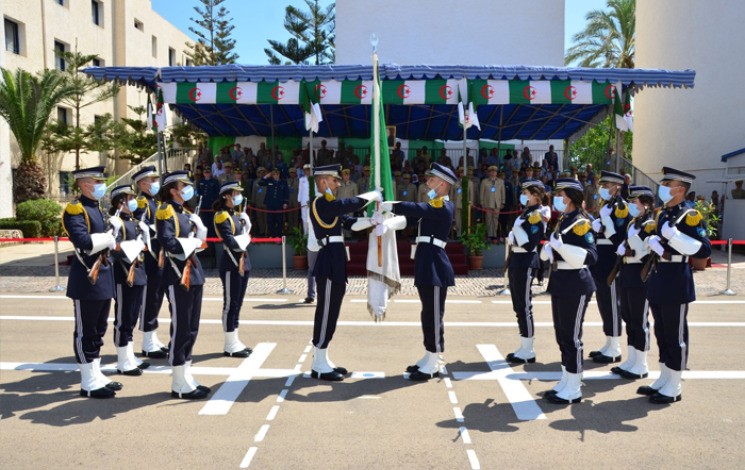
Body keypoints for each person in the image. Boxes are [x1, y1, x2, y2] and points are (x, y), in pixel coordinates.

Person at [639, 167, 711, 404]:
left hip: (677, 279)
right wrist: (655, 243)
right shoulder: (663, 213)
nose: (663, 188)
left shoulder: (689, 215)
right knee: (661, 331)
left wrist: (674, 238)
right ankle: (665, 376)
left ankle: (675, 384)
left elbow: (704, 249)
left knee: (675, 334)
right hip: (659, 276)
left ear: (680, 188)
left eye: (667, 184)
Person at [380, 163, 456, 381]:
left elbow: (417, 210)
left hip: (435, 264)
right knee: (427, 313)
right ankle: (429, 354)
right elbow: (411, 218)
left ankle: (433, 359)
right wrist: (387, 223)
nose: (427, 183)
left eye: (431, 180)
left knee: (433, 314)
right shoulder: (433, 205)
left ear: (442, 184)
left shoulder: (443, 206)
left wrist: (392, 205)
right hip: (426, 261)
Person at [309, 164, 381, 381]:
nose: (338, 184)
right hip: (329, 259)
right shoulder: (320, 203)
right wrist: (371, 195)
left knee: (333, 311)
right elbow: (346, 205)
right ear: (323, 182)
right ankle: (319, 363)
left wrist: (372, 221)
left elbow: (349, 223)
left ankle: (323, 358)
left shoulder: (331, 206)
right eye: (334, 180)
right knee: (326, 310)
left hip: (336, 258)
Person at [62, 166, 120, 398]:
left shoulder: (97, 208)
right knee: (85, 330)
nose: (101, 186)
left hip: (104, 275)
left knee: (98, 329)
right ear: (85, 184)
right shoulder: (76, 210)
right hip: (87, 277)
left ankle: (95, 374)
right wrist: (107, 237)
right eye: (97, 182)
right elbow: (83, 241)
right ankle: (87, 381)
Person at [540, 178, 597, 404]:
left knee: (572, 336)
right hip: (561, 279)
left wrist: (561, 246)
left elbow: (592, 255)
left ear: (571, 197)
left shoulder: (581, 222)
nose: (557, 198)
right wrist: (550, 249)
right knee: (562, 334)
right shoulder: (564, 219)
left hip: (577, 281)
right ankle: (566, 379)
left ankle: (574, 387)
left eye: (561, 194)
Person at [157, 171, 210, 399]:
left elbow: (200, 245)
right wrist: (194, 241)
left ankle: (186, 374)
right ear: (173, 190)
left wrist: (201, 234)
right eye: (183, 186)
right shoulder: (165, 211)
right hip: (178, 274)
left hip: (193, 272)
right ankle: (178, 380)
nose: (187, 189)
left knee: (192, 326)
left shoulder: (185, 213)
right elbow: (167, 242)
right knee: (181, 327)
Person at [610, 185, 656, 380]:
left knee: (639, 319)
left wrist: (630, 250)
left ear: (645, 204)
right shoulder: (632, 223)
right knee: (628, 317)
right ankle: (631, 359)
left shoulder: (650, 224)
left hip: (640, 274)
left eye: (634, 202)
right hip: (627, 272)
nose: (631, 205)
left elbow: (646, 252)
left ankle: (642, 363)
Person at [588, 171, 631, 364]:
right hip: (601, 260)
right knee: (604, 302)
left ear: (617, 187)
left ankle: (615, 347)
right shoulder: (608, 206)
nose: (603, 189)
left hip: (612, 260)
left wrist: (604, 223)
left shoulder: (621, 208)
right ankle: (608, 342)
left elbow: (618, 239)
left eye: (606, 186)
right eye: (602, 185)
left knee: (613, 303)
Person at [108, 185, 150, 376]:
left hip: (138, 273)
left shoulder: (133, 222)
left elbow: (146, 249)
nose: (133, 201)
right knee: (123, 318)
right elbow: (110, 250)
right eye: (129, 198)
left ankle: (130, 355)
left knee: (132, 317)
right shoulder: (115, 223)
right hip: (123, 274)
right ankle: (123, 359)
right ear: (120, 202)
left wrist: (145, 236)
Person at [505, 179, 546, 364]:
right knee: (518, 305)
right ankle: (524, 345)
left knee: (524, 305)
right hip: (516, 259)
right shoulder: (527, 213)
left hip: (527, 260)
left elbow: (530, 243)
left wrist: (515, 232)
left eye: (526, 193)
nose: (523, 196)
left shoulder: (537, 214)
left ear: (536, 195)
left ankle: (529, 349)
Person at [132, 165, 170, 359]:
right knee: (150, 298)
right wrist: (158, 229)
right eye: (152, 180)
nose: (156, 183)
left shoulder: (154, 202)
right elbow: (139, 225)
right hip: (149, 256)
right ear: (142, 183)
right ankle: (147, 341)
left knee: (156, 297)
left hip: (159, 255)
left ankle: (152, 337)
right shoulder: (141, 202)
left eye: (156, 179)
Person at [213, 181, 254, 358]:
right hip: (231, 262)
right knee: (230, 303)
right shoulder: (222, 216)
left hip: (243, 261)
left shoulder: (236, 215)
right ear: (226, 196)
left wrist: (246, 225)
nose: (238, 196)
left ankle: (235, 340)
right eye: (235, 193)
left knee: (238, 302)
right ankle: (229, 343)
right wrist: (246, 236)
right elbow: (230, 241)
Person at [259, 168, 289, 237]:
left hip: (279, 203)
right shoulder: (269, 181)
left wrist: (285, 202)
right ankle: (272, 235)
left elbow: (286, 193)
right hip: (270, 203)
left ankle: (278, 235)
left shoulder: (283, 182)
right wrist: (266, 176)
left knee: (279, 220)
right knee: (270, 220)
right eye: (274, 174)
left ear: (279, 174)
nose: (276, 176)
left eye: (277, 174)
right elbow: (260, 183)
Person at [479, 165, 506, 240]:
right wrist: (482, 203)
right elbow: (482, 193)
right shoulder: (484, 181)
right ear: (489, 173)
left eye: (495, 171)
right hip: (488, 203)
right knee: (488, 219)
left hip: (497, 203)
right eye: (491, 171)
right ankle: (490, 235)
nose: (493, 173)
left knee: (495, 219)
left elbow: (502, 192)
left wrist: (503, 202)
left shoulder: (501, 181)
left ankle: (494, 234)